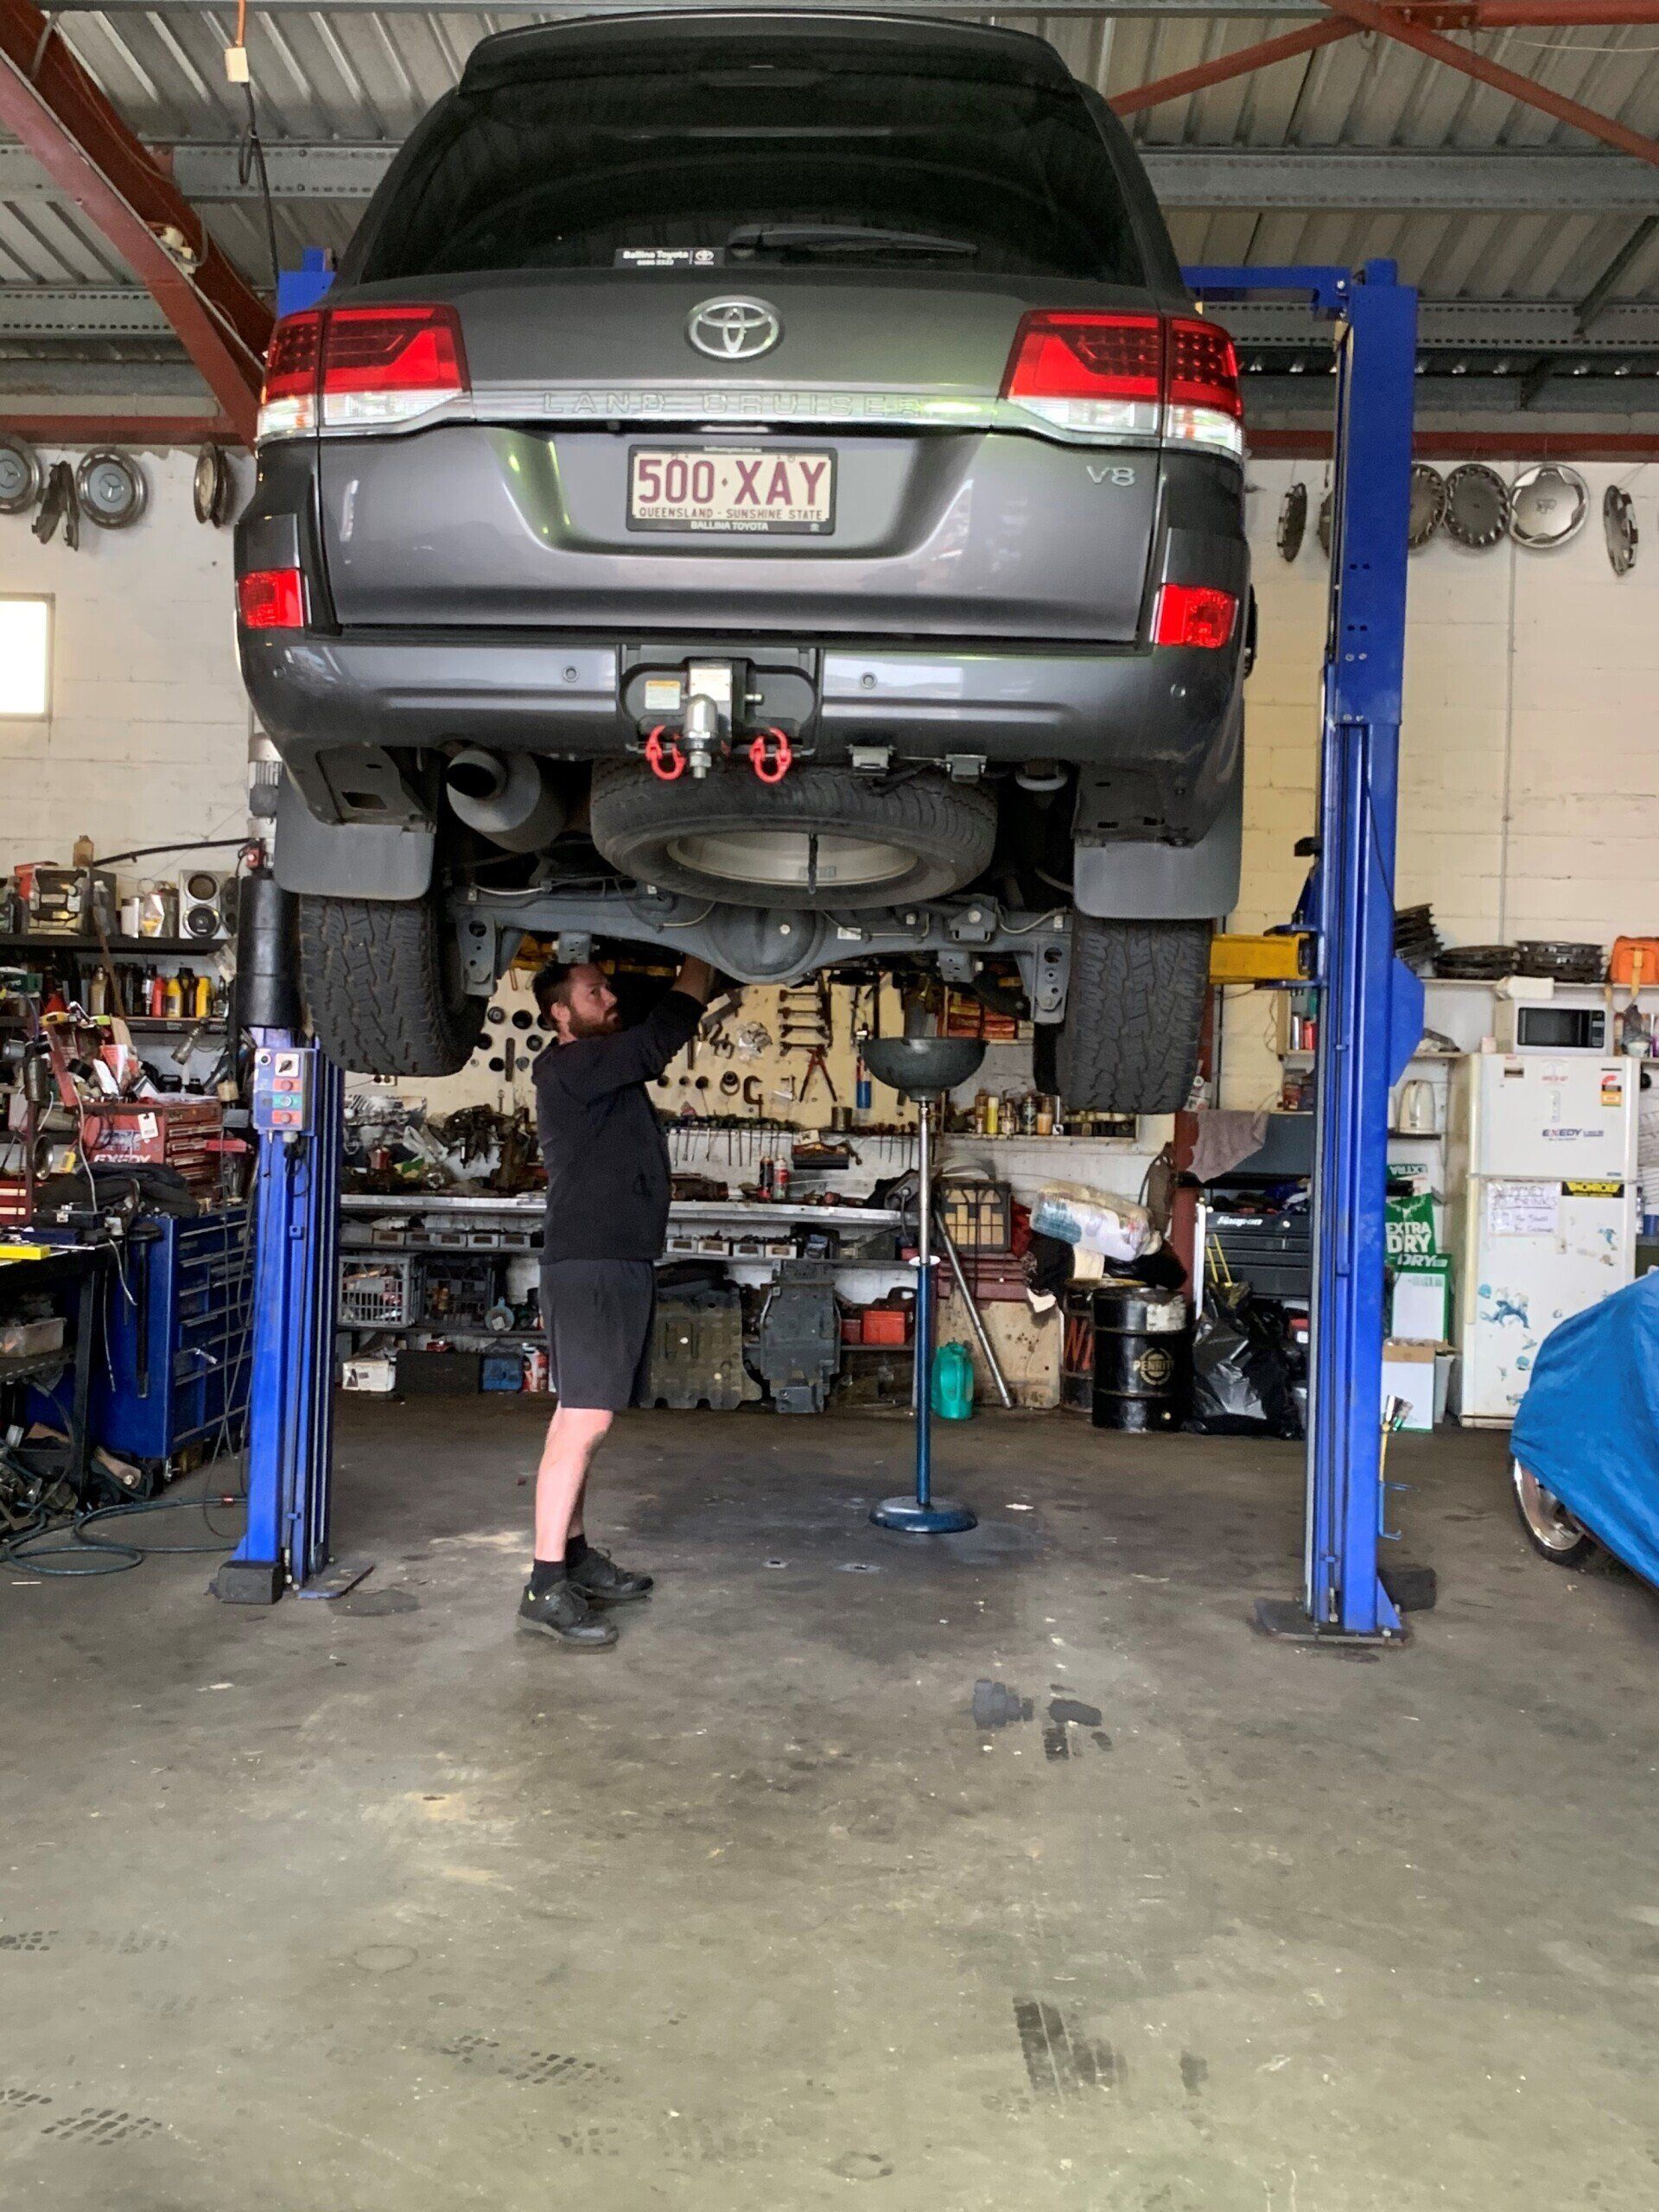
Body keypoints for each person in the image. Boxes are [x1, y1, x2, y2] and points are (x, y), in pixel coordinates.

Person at [520, 953, 718, 1647]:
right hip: (594, 1263)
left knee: (576, 1417)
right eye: (593, 993)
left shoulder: (594, 1064)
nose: (609, 998)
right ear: (560, 1016)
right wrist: (703, 963)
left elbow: (634, 1013)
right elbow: (660, 1033)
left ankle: (572, 1555)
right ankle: (546, 1584)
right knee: (585, 1422)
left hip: (611, 1260)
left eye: (607, 988)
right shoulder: (574, 1066)